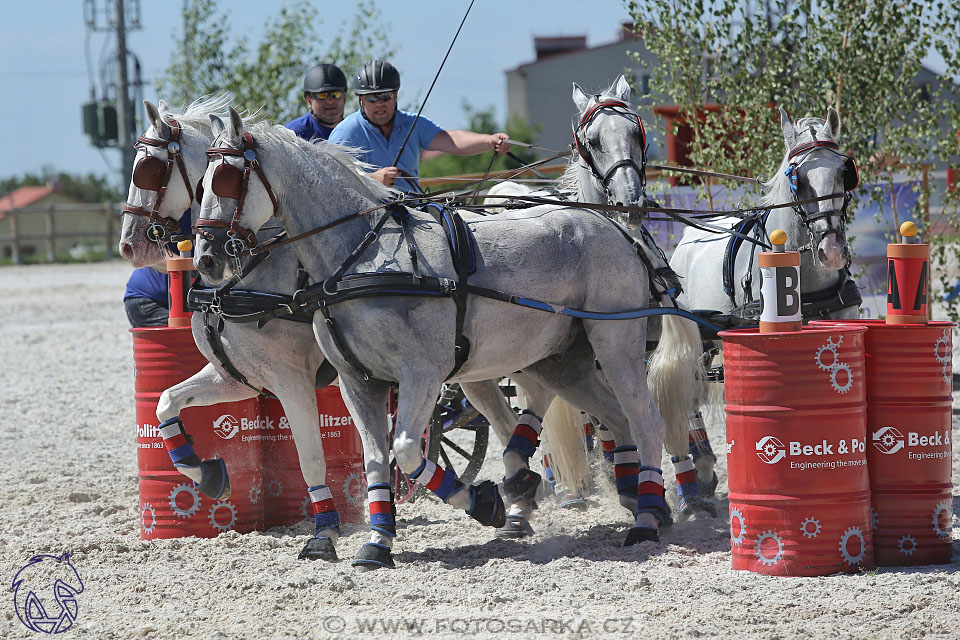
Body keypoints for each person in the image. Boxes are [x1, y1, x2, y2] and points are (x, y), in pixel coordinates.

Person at [329, 59, 510, 193]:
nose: (379, 104)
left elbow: (452, 139)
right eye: (371, 98)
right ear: (360, 100)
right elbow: (331, 180)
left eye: (386, 97)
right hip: (368, 217)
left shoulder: (412, 123)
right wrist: (371, 180)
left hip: (413, 212)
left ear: (396, 95)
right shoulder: (346, 132)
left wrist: (489, 141)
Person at [123, 211, 192, 327]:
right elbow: (150, 253)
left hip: (188, 302)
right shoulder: (162, 208)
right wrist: (194, 267)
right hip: (149, 300)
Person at [285, 63, 348, 141]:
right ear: (309, 101)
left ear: (344, 97)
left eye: (335, 94)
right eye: (322, 95)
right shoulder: (293, 135)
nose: (330, 101)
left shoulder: (355, 131)